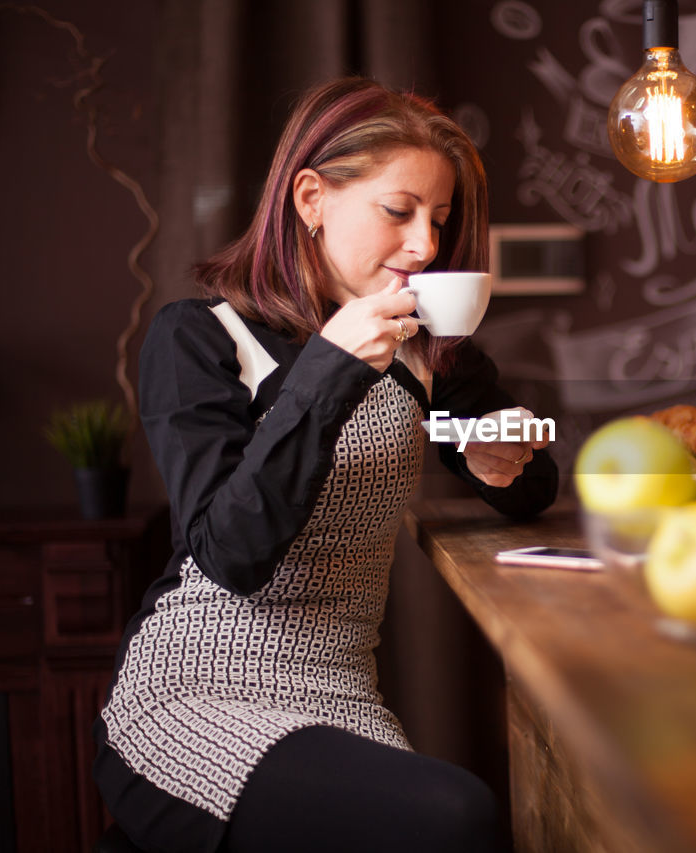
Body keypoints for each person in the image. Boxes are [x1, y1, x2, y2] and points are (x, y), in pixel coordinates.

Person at [94, 77, 558, 853]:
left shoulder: (424, 352)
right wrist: (330, 369)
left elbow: (533, 480)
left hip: (341, 689)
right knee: (458, 815)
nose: (426, 247)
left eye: (439, 220)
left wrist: (504, 449)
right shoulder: (199, 339)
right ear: (310, 197)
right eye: (398, 211)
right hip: (192, 690)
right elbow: (231, 552)